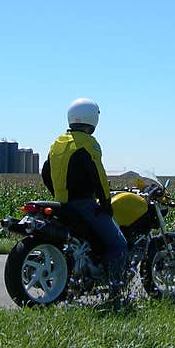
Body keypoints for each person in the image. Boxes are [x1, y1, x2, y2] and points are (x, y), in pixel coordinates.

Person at [41, 98, 128, 294]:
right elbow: (99, 176)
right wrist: (106, 203)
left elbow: (45, 172)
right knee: (119, 244)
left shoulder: (58, 142)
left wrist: (58, 194)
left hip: (62, 205)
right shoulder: (89, 144)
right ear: (93, 119)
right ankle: (116, 290)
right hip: (84, 205)